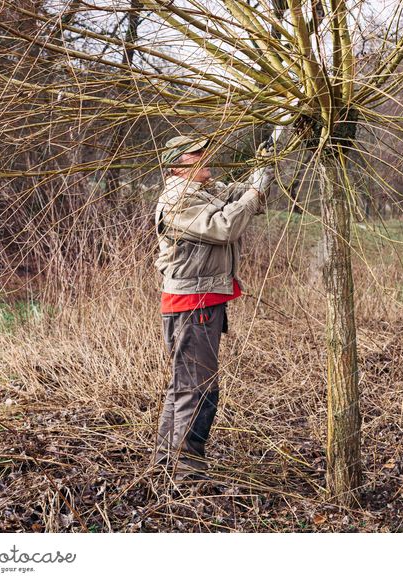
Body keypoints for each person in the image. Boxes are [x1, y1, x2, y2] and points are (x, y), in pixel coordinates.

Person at [153, 135, 273, 481]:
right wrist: (251, 195)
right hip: (192, 305)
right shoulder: (178, 200)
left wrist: (265, 166)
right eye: (195, 153)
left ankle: (167, 461)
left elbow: (244, 198)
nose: (205, 156)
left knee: (184, 385)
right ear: (176, 166)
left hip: (201, 301)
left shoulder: (204, 191)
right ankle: (186, 472)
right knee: (199, 389)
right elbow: (225, 226)